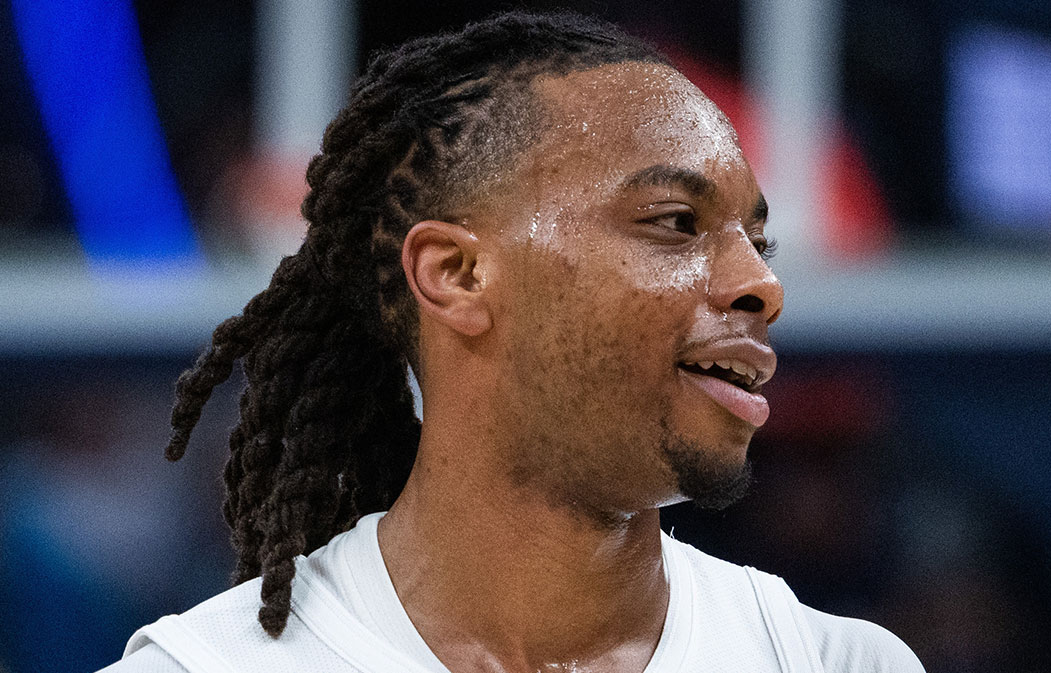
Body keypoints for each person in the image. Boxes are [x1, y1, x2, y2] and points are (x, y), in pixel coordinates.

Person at [101, 11, 924, 673]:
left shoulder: (840, 661)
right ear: (457, 274)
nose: (762, 284)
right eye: (676, 224)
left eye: (760, 242)